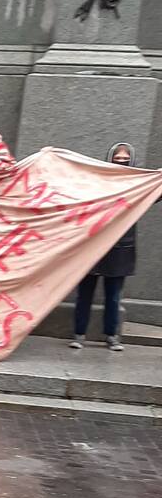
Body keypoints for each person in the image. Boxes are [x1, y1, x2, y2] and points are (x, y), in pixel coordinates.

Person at [72, 141, 141, 352]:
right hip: (93, 246)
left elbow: (156, 192)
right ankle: (79, 334)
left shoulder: (138, 186)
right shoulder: (97, 182)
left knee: (113, 296)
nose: (121, 162)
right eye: (117, 158)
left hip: (119, 249)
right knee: (85, 294)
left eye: (124, 159)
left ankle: (112, 336)